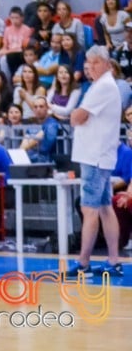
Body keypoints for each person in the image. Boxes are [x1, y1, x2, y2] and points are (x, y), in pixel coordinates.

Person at [67, 45, 123, 278]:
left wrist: (75, 115)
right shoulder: (102, 85)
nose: (89, 66)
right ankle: (113, 261)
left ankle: (83, 264)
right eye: (88, 62)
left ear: (106, 64)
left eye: (95, 62)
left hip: (94, 156)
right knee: (104, 208)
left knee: (89, 209)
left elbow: (76, 117)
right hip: (100, 156)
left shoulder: (103, 87)